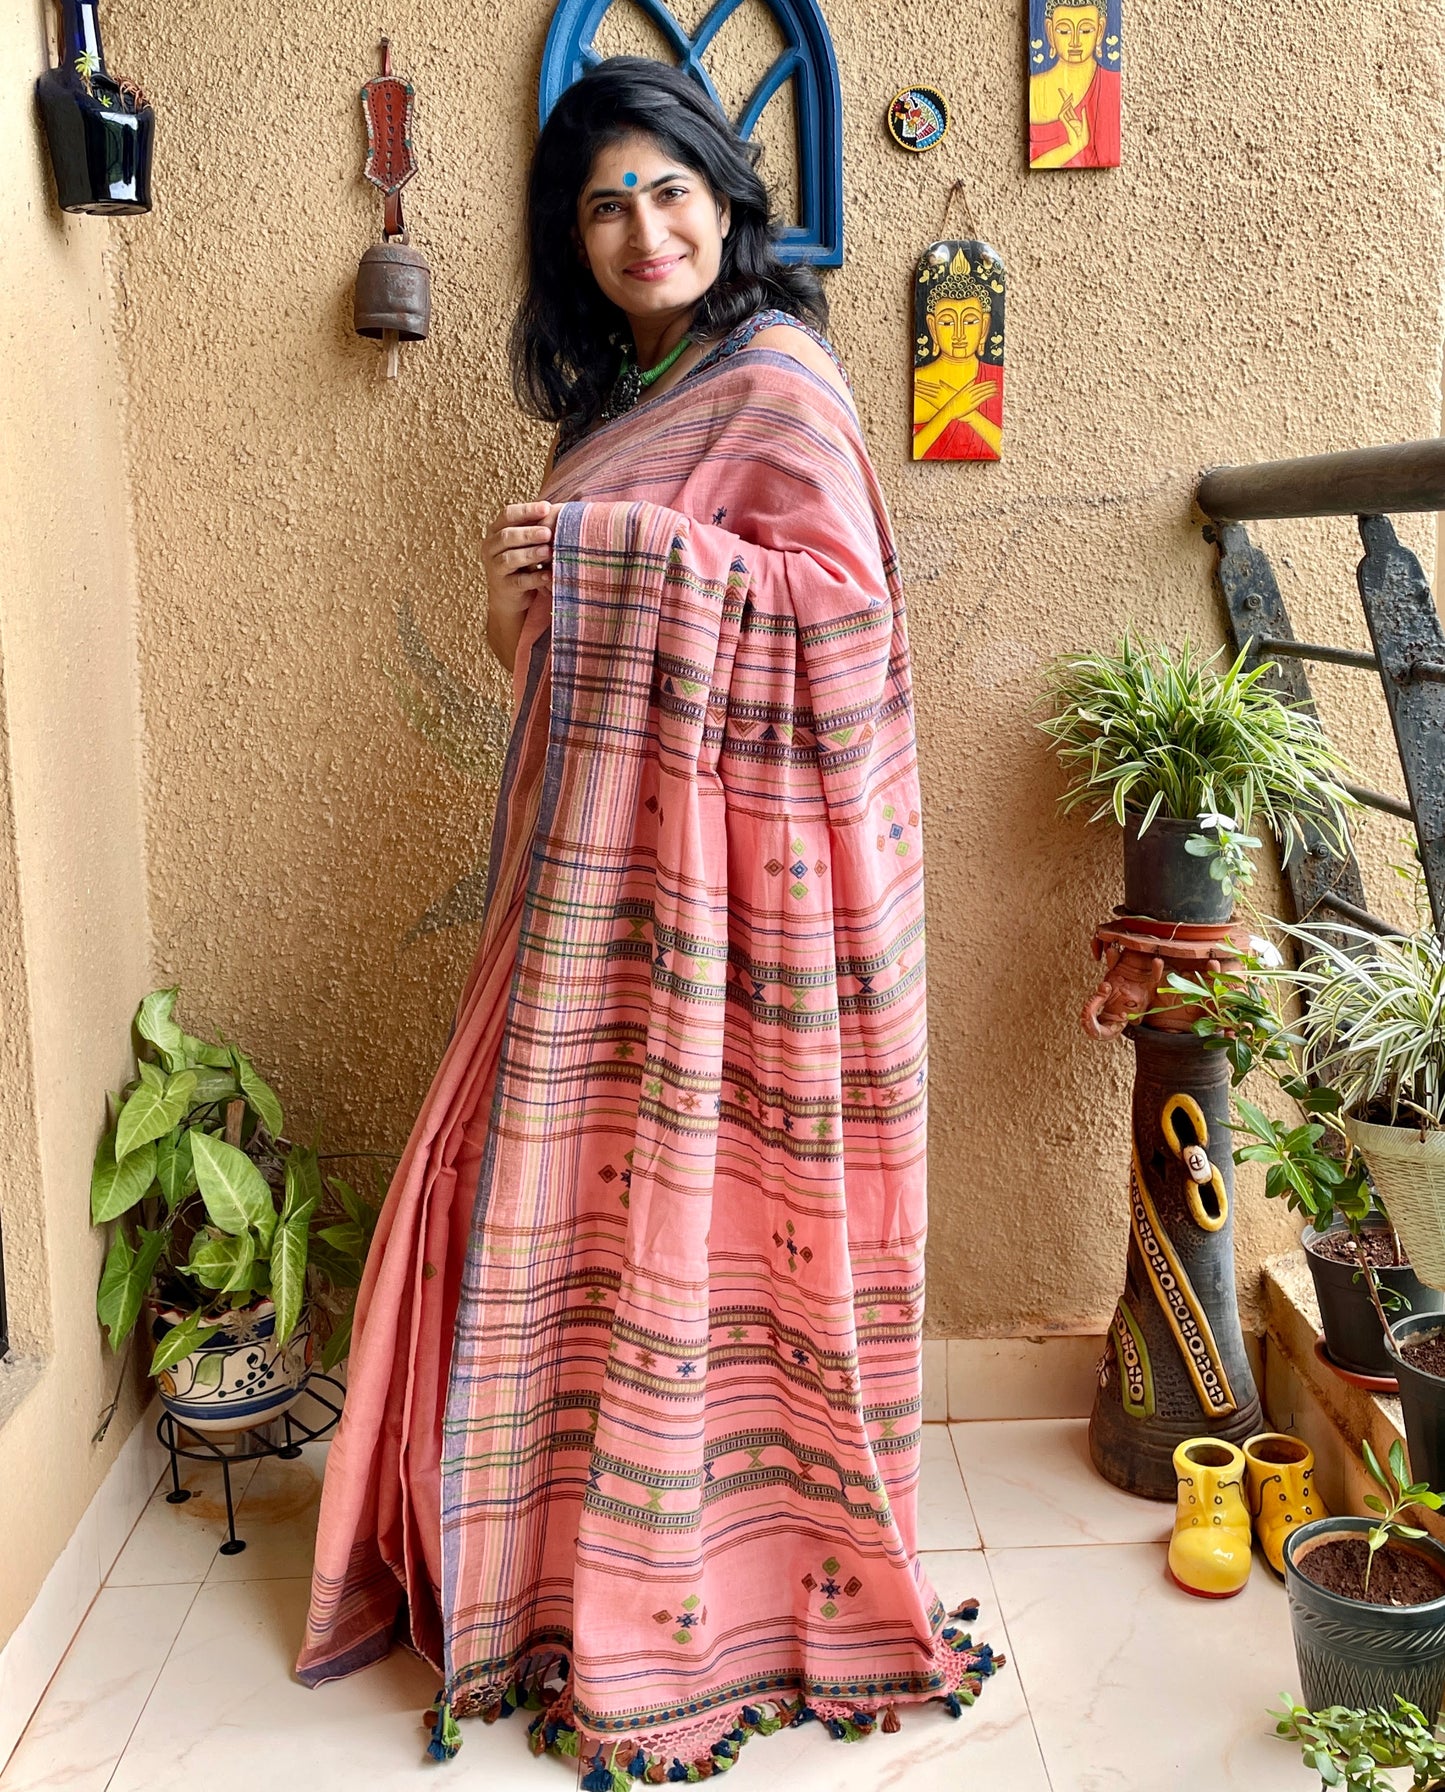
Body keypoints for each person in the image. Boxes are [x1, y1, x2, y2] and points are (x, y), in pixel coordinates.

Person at [295, 55, 997, 1784]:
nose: (643, 229)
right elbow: (552, 657)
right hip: (585, 890)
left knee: (703, 1209)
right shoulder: (611, 407)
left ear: (729, 202)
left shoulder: (781, 382)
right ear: (573, 240)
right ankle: (557, 1573)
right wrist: (516, 608)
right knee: (559, 1195)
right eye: (605, 205)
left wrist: (612, 564)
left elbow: (842, 625)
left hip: (741, 924)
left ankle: (714, 1587)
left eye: (670, 190)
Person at [912, 247, 1003, 460]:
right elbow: (918, 448)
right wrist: (949, 411)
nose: (959, 334)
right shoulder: (922, 384)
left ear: (984, 326)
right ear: (932, 326)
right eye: (947, 322)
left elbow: (998, 445)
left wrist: (968, 414)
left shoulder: (993, 379)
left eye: (970, 321)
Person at [1028, 0, 1121, 169]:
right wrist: (1071, 148)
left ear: (1100, 30)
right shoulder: (1035, 91)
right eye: (1064, 31)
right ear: (1050, 31)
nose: (1075, 41)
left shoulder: (1110, 86)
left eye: (1085, 30)